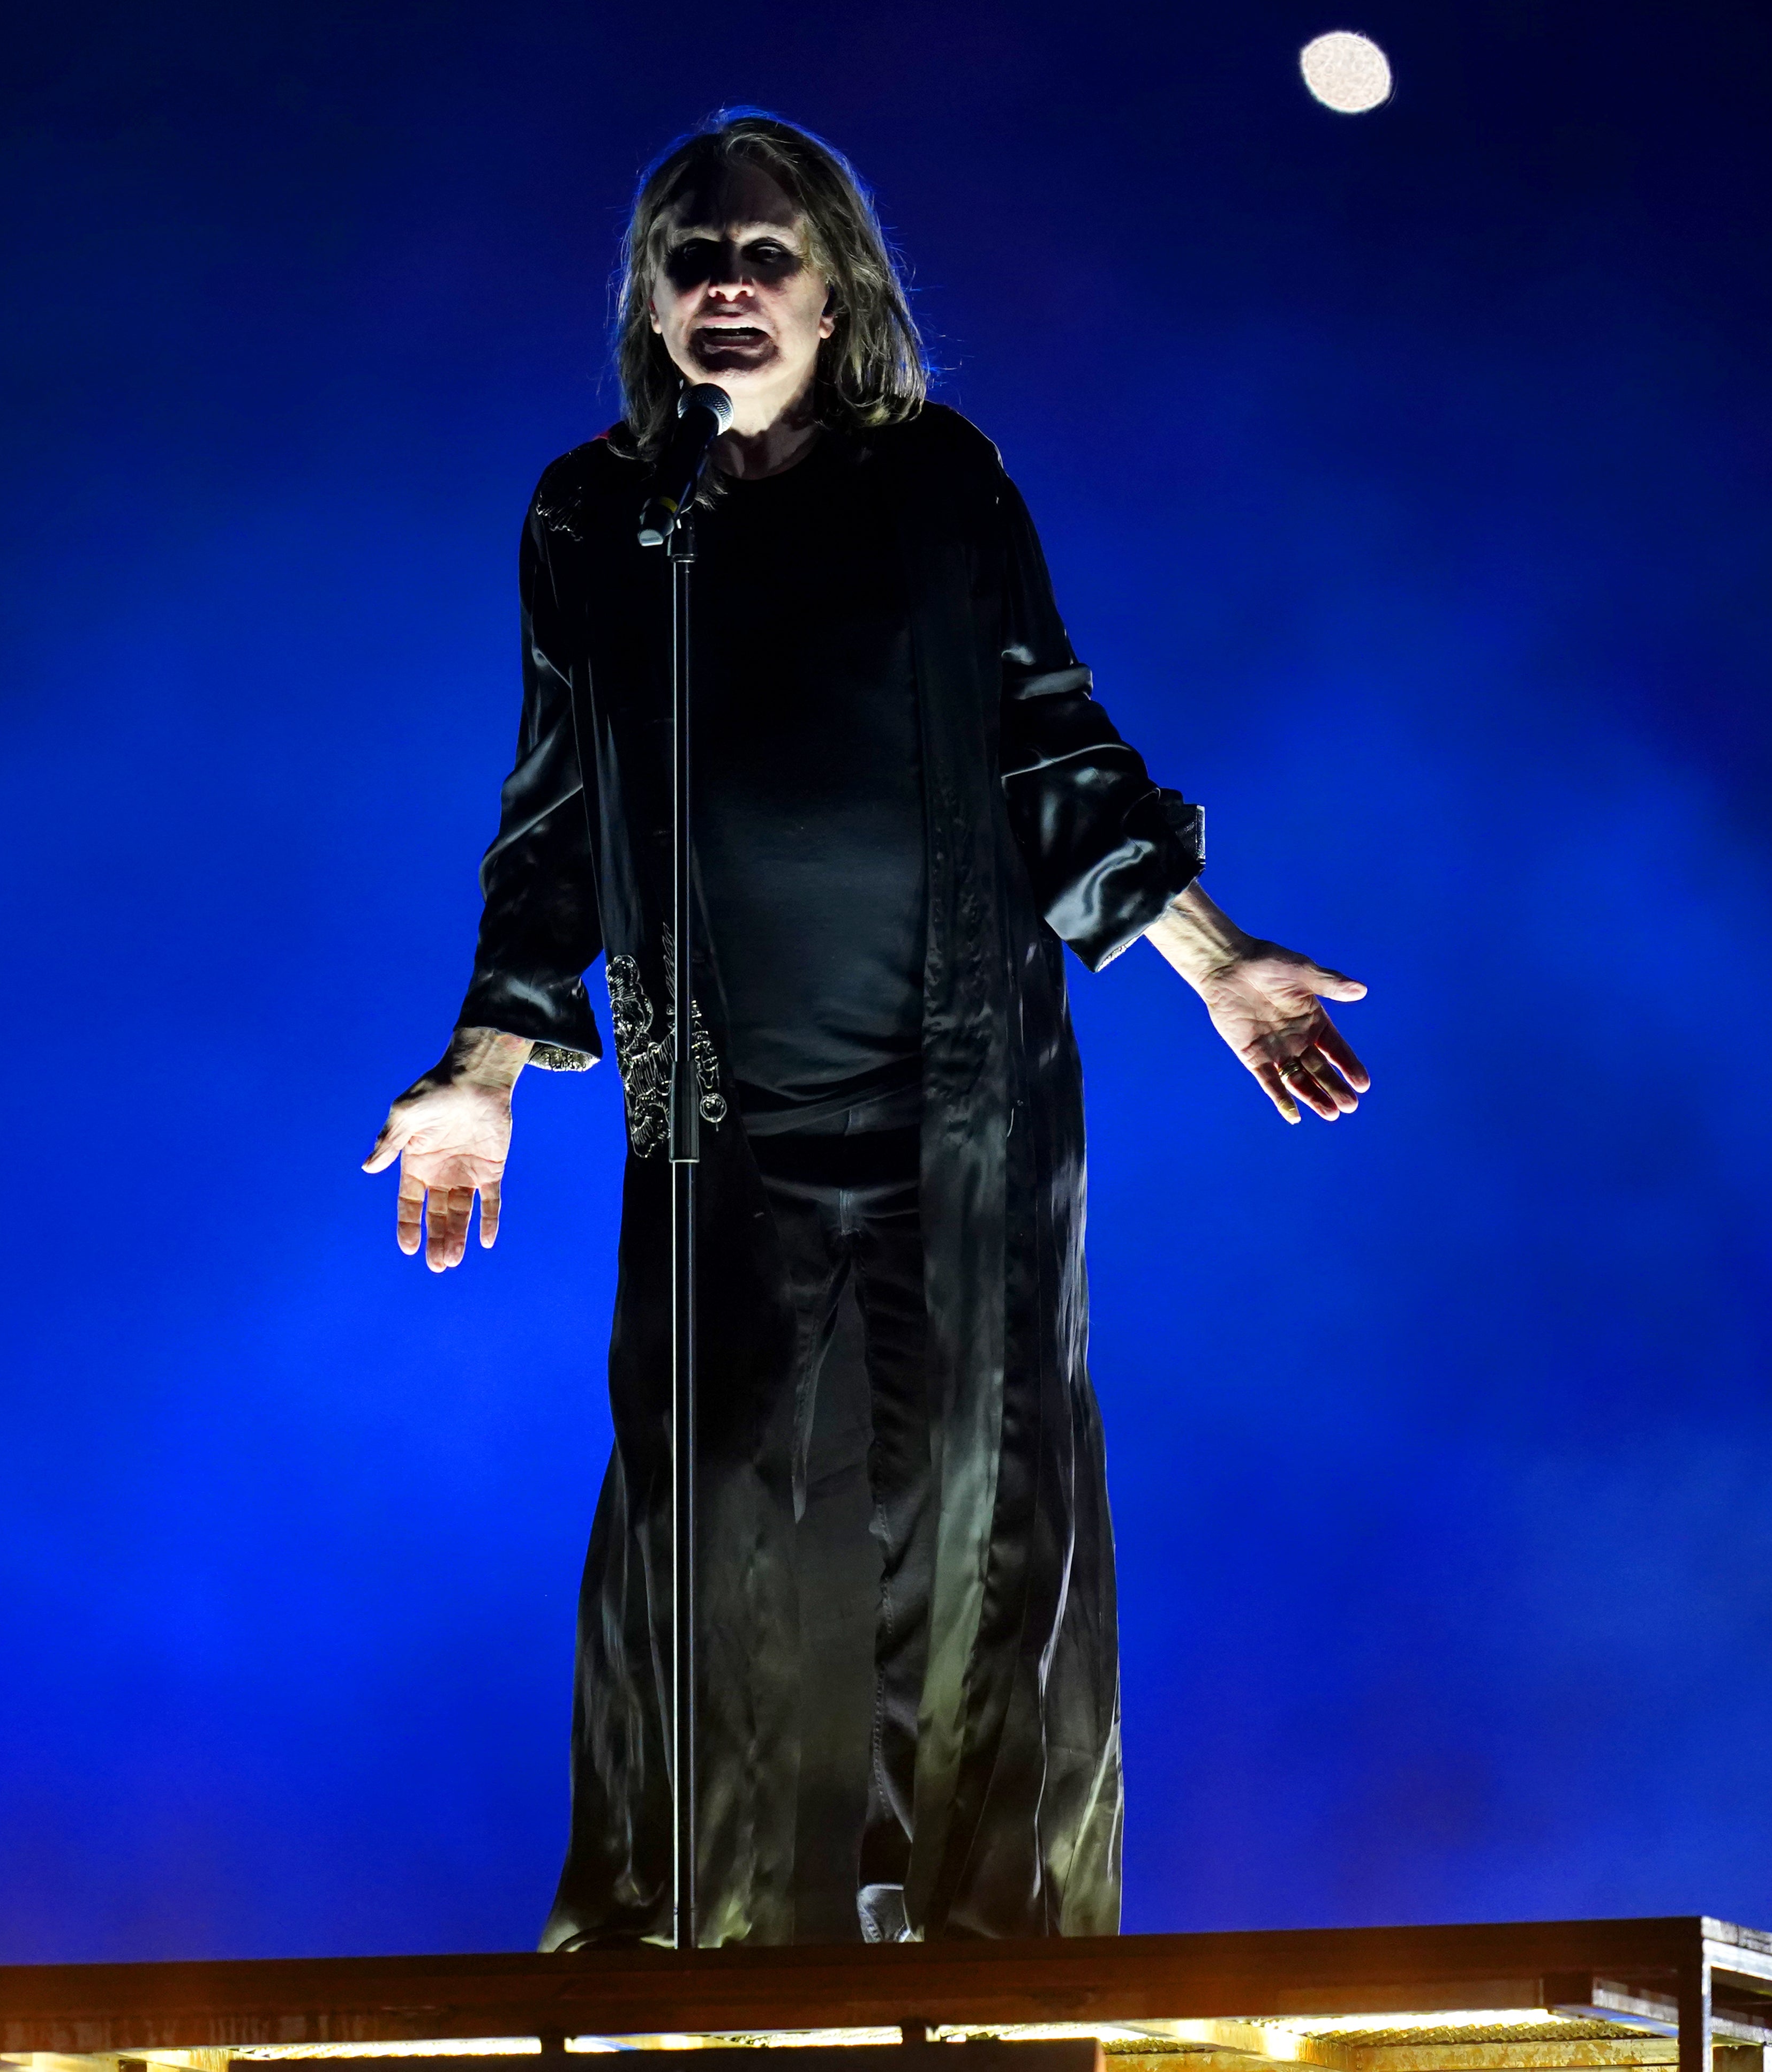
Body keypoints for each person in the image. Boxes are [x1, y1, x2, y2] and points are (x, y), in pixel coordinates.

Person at [363, 110, 1370, 1948]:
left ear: (837, 293)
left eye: (763, 257)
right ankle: (699, 1933)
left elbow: (1048, 740)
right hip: (717, 1117)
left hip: (956, 1100)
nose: (726, 288)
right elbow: (556, 812)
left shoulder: (937, 486)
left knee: (970, 1515)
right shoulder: (599, 517)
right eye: (693, 260)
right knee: (709, 1514)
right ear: (653, 303)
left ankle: (975, 1940)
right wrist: (485, 1069)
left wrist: (1211, 956)